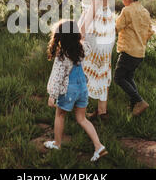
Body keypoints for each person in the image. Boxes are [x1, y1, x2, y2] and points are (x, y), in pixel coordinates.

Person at [44, 20, 108, 162]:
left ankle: (57, 143)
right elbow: (89, 42)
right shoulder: (82, 48)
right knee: (82, 118)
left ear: (60, 37)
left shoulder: (62, 56)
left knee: (60, 115)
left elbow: (57, 77)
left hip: (69, 90)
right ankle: (98, 146)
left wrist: (52, 96)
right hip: (82, 88)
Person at [69, 0, 115, 120]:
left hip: (95, 22)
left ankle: (78, 108)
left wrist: (82, 27)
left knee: (82, 63)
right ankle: (102, 111)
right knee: (101, 64)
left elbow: (95, 3)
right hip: (105, 21)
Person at [115, 0, 154, 116]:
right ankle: (134, 106)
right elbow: (149, 32)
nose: (123, 2)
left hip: (128, 51)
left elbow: (117, 27)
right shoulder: (145, 11)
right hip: (140, 52)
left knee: (118, 78)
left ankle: (139, 101)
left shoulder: (127, 10)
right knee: (129, 77)